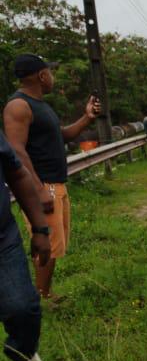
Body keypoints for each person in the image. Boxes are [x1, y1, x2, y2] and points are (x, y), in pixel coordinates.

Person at [3, 53, 100, 300]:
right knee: (47, 243)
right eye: (51, 72)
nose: (52, 77)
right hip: (43, 184)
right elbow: (16, 150)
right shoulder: (18, 106)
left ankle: (45, 292)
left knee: (55, 245)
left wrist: (87, 117)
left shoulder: (41, 106)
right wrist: (39, 188)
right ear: (42, 75)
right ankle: (41, 297)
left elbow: (63, 135)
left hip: (56, 183)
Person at [0, 132, 52, 361]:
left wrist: (40, 228)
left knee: (22, 307)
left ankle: (24, 352)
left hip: (2, 239)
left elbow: (17, 173)